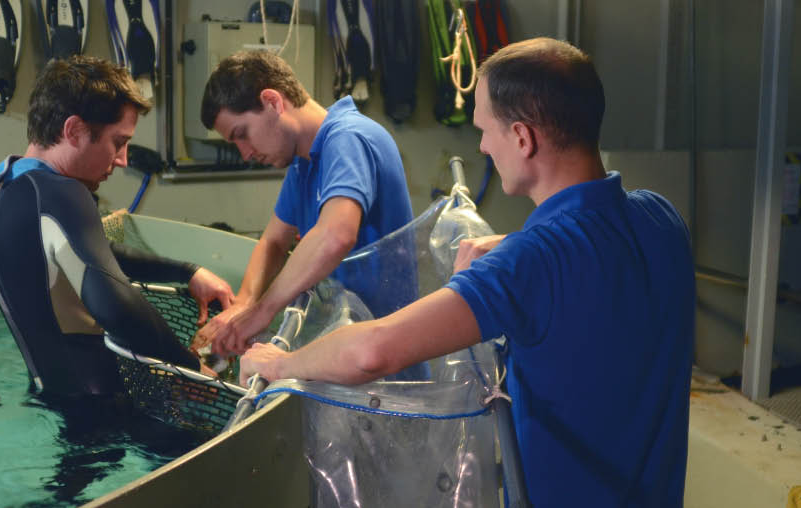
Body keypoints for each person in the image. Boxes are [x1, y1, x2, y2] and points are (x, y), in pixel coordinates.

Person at [240, 38, 696, 506]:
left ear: (523, 138)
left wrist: (281, 364)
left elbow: (373, 352)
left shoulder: (527, 266)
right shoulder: (662, 219)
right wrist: (511, 242)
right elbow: (594, 240)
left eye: (485, 129)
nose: (481, 145)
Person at [0, 56, 235, 399]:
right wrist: (184, 366)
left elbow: (89, 256)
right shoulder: (61, 194)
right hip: (104, 408)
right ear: (73, 131)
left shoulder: (6, 187)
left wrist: (187, 272)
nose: (123, 159)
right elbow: (114, 301)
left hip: (52, 395)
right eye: (118, 142)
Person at [194, 50, 415, 357]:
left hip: (386, 362)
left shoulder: (348, 138)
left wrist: (261, 312)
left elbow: (335, 235)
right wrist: (243, 304)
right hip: (349, 349)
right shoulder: (305, 163)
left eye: (242, 134)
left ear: (273, 102)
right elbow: (273, 240)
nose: (245, 153)